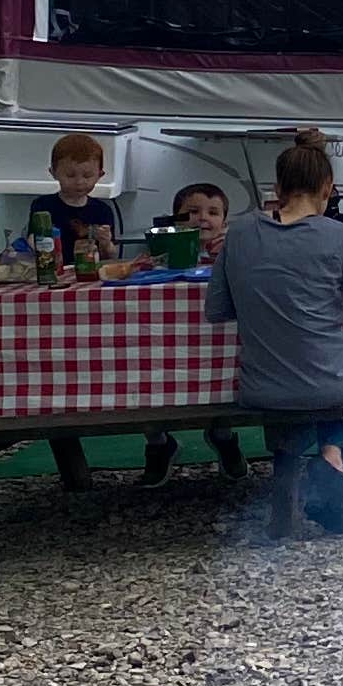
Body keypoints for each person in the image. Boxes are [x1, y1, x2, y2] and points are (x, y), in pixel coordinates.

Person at [210, 130, 343, 540]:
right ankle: (336, 468)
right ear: (327, 190)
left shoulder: (240, 234)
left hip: (261, 384)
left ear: (277, 189)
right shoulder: (340, 237)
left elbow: (218, 310)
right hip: (330, 375)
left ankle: (329, 458)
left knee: (333, 379)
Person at [140, 182, 253, 489]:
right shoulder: (159, 250)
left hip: (216, 332)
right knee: (143, 366)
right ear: (174, 218)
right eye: (192, 212)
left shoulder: (232, 251)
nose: (202, 218)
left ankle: (223, 434)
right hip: (164, 332)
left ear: (225, 222)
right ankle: (157, 440)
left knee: (228, 366)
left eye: (213, 212)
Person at [36, 132, 120, 262]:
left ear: (100, 175)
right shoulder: (43, 206)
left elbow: (110, 257)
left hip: (91, 274)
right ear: (53, 173)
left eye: (87, 176)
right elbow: (33, 245)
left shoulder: (102, 210)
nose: (79, 182)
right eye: (70, 175)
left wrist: (106, 243)